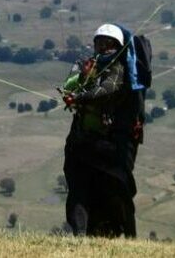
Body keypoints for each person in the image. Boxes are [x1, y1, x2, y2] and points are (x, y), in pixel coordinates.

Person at [60, 22, 142, 237]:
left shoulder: (119, 69)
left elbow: (107, 89)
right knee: (78, 190)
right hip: (80, 142)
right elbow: (68, 87)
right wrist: (83, 78)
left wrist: (80, 96)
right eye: (100, 44)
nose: (104, 48)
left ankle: (121, 235)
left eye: (109, 44)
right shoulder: (84, 65)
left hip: (108, 146)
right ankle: (80, 235)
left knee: (113, 193)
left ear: (117, 47)